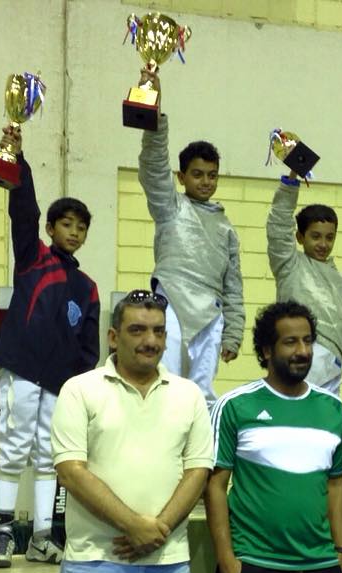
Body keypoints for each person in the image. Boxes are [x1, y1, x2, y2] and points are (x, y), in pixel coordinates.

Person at [48, 290, 213, 573]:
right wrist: (134, 526)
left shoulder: (189, 395)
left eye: (158, 331)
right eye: (137, 330)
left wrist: (156, 530)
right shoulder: (79, 390)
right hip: (97, 564)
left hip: (168, 566)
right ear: (113, 337)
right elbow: (71, 471)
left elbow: (198, 470)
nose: (150, 341)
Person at [203, 301, 342, 573]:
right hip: (255, 568)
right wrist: (228, 561)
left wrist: (339, 552)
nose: (302, 351)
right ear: (266, 350)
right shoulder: (236, 405)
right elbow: (215, 486)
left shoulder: (332, 409)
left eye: (308, 341)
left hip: (318, 571)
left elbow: (335, 484)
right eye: (290, 342)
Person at [0, 124, 100, 569]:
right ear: (51, 228)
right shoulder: (34, 257)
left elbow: (88, 348)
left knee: (50, 458)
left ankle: (42, 538)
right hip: (20, 368)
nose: (74, 232)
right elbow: (23, 211)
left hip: (58, 383)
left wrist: (77, 387)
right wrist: (19, 158)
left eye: (81, 227)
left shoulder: (87, 287)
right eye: (66, 224)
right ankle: (2, 534)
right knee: (15, 448)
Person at [137, 69, 244, 404]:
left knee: (202, 394)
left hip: (211, 314)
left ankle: (200, 440)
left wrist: (233, 331)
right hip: (170, 301)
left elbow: (233, 285)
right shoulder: (170, 206)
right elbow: (154, 168)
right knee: (164, 382)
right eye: (197, 174)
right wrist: (154, 116)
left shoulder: (226, 228)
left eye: (212, 175)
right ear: (181, 176)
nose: (206, 182)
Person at [266, 171, 342, 393]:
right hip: (296, 360)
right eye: (315, 236)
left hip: (333, 371)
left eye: (330, 237)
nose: (323, 244)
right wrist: (290, 183)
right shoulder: (289, 264)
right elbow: (278, 227)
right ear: (300, 237)